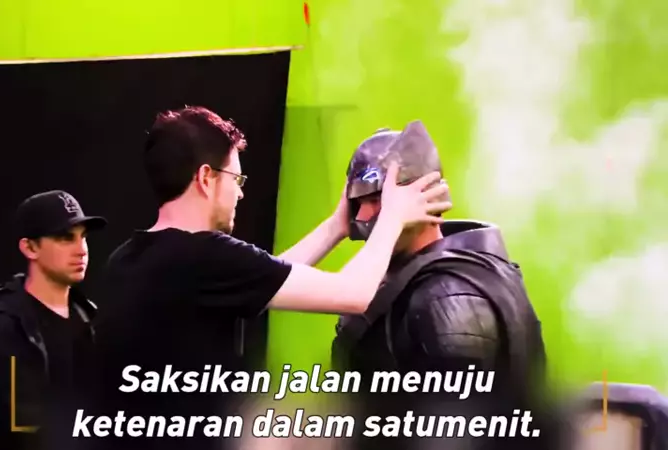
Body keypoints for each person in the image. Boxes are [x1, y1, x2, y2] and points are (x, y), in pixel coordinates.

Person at [82, 106, 452, 450]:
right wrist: (393, 217)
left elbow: (263, 276)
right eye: (236, 178)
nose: (241, 192)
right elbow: (354, 293)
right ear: (206, 178)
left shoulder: (128, 259)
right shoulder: (206, 256)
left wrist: (336, 227)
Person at [331, 121, 553, 450]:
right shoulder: (410, 279)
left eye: (377, 199)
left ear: (421, 197)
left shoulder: (447, 296)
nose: (362, 216)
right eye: (357, 203)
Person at [0, 190, 107, 450]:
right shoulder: (4, 328)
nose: (81, 250)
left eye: (84, 237)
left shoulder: (88, 318)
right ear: (30, 247)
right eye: (65, 238)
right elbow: (20, 432)